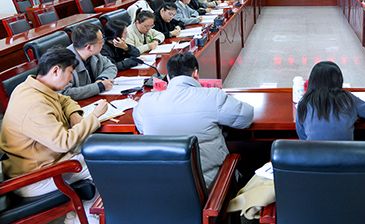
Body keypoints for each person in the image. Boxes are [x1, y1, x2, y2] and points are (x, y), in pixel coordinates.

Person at [133, 52, 254, 188]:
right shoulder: (212, 96)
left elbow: (141, 127)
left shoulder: (146, 102)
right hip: (208, 186)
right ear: (195, 73)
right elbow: (246, 117)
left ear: (168, 77)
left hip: (161, 185)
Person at [0, 47, 108, 197]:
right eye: (70, 72)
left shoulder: (33, 87)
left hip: (50, 161)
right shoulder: (33, 104)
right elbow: (63, 143)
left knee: (103, 153)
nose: (71, 79)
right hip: (33, 177)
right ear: (56, 70)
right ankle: (92, 211)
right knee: (106, 165)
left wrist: (74, 114)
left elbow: (65, 100)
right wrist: (94, 116)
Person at [296, 61, 365, 140]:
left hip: (313, 151)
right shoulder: (348, 99)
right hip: (345, 152)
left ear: (312, 81)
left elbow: (302, 136)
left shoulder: (303, 103)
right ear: (339, 80)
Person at [63, 23, 117, 100]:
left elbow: (110, 66)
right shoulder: (64, 63)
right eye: (101, 41)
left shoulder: (93, 54)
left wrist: (102, 79)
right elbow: (65, 93)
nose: (103, 43)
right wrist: (99, 86)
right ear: (89, 47)